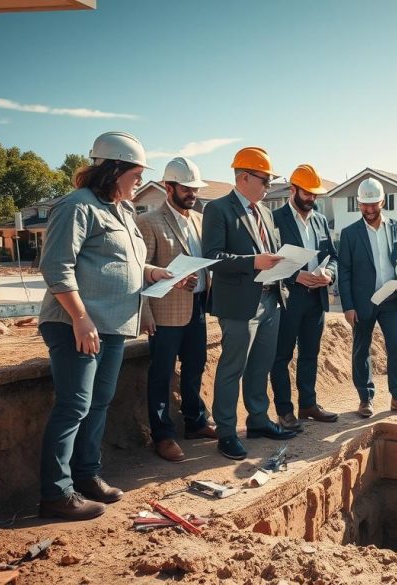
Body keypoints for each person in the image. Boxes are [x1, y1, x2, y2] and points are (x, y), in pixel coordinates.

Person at [37, 131, 172, 520]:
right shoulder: (76, 207)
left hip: (112, 326)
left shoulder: (123, 211)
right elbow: (56, 266)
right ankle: (56, 492)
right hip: (75, 324)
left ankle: (86, 475)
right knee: (74, 404)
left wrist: (153, 271)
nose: (138, 182)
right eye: (135, 175)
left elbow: (122, 263)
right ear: (114, 170)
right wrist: (80, 318)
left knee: (98, 403)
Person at [202, 147, 298, 461]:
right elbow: (213, 258)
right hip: (240, 305)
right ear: (244, 176)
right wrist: (253, 261)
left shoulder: (265, 212)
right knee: (233, 368)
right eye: (265, 179)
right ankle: (226, 432)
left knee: (260, 366)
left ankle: (257, 420)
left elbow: (268, 254)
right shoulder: (218, 210)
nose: (269, 186)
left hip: (271, 299)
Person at [136, 157, 217, 463]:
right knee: (161, 374)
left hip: (196, 306)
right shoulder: (149, 222)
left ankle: (195, 422)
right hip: (165, 310)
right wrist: (145, 312)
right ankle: (163, 436)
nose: (192, 193)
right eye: (186, 188)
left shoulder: (199, 221)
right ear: (168, 187)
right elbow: (140, 269)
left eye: (195, 188)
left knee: (195, 366)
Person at [337, 177, 397, 418]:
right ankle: (365, 399)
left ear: (382, 201)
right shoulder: (349, 234)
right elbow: (344, 272)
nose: (370, 210)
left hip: (392, 300)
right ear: (359, 203)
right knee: (361, 349)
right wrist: (348, 306)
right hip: (363, 303)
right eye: (365, 205)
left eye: (374, 204)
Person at [269, 164, 340, 431]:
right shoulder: (275, 219)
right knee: (282, 355)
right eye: (308, 193)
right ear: (293, 189)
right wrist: (294, 276)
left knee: (310, 353)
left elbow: (332, 254)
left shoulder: (320, 220)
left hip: (315, 298)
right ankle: (285, 411)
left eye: (315, 195)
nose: (312, 199)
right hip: (288, 298)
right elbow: (270, 258)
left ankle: (308, 404)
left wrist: (329, 274)